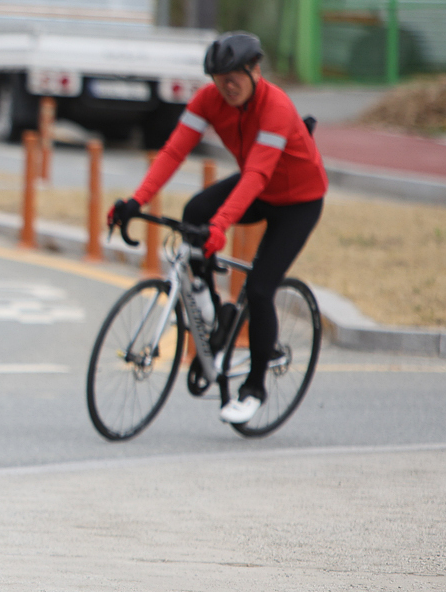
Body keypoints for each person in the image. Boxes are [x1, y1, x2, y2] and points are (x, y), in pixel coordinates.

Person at [109, 30, 327, 426]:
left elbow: (257, 173)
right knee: (194, 212)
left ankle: (254, 389)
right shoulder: (208, 100)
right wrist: (135, 202)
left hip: (298, 202)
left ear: (255, 70)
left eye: (234, 78)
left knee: (259, 289)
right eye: (218, 79)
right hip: (259, 187)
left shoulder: (276, 107)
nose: (226, 87)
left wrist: (221, 226)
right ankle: (211, 308)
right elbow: (174, 150)